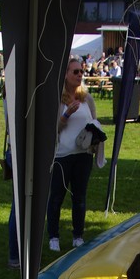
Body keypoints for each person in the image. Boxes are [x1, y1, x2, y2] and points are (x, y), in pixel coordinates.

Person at [46, 56, 98, 252]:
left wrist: (95, 139)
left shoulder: (87, 98)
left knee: (80, 197)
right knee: (56, 197)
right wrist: (66, 114)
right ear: (66, 75)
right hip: (62, 156)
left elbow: (94, 122)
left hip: (83, 155)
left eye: (81, 71)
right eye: (75, 71)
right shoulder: (58, 100)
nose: (79, 75)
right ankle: (53, 237)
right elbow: (53, 129)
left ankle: (78, 235)